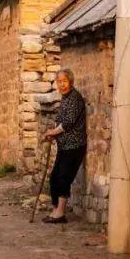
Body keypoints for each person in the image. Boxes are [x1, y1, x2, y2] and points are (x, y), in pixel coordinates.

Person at [41, 68, 86, 225]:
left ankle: (60, 213)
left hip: (74, 145)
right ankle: (55, 210)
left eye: (64, 82)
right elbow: (60, 120)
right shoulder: (65, 98)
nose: (62, 85)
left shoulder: (74, 98)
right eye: (59, 82)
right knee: (54, 177)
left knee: (63, 177)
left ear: (71, 82)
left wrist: (54, 131)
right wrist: (54, 134)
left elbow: (68, 122)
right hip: (64, 145)